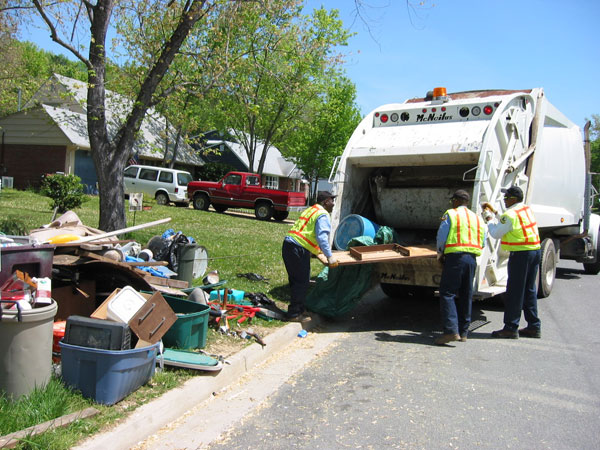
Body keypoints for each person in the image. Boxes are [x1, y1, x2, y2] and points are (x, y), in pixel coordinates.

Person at [482, 185, 542, 339]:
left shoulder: (510, 215)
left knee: (515, 291)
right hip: (534, 252)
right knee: (529, 289)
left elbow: (496, 233)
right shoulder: (525, 209)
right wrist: (496, 213)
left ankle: (510, 328)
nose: (504, 200)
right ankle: (534, 326)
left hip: (521, 255)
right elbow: (509, 222)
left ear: (513, 199)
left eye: (506, 198)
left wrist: (488, 219)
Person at [434, 189, 486, 345]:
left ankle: (450, 331)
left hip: (455, 258)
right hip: (471, 259)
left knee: (447, 293)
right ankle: (464, 332)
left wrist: (440, 254)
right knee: (466, 294)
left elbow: (441, 236)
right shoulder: (477, 218)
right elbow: (483, 240)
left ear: (455, 201)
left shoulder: (451, 214)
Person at [282, 191, 339, 322]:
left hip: (289, 245)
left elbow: (306, 232)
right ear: (325, 202)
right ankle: (294, 314)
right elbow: (321, 237)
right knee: (301, 282)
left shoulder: (311, 210)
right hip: (298, 248)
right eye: (332, 200)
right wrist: (329, 256)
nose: (333, 204)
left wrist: (316, 250)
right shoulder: (323, 214)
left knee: (297, 280)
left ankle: (300, 309)